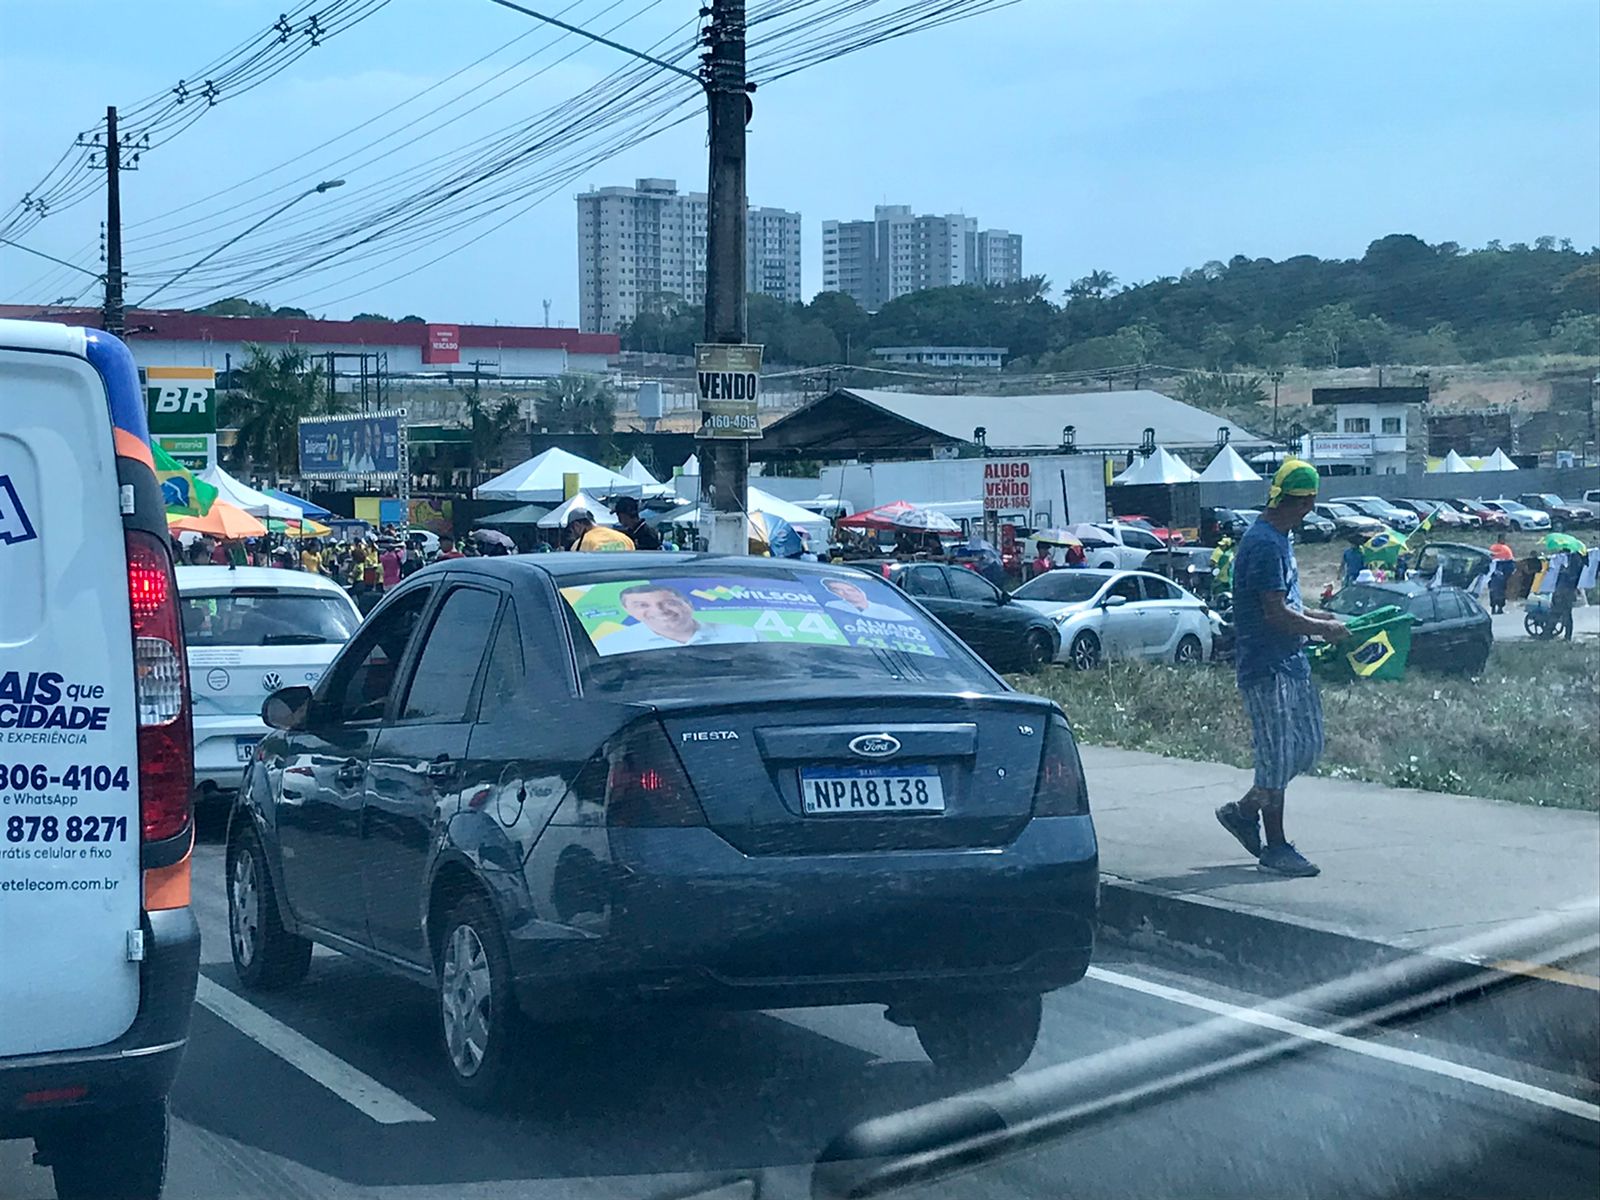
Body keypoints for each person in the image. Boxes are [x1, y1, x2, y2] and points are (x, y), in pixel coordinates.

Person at [1213, 459, 1349, 879]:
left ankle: (1244, 811)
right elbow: (1274, 614)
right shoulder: (1265, 544)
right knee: (1276, 756)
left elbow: (1287, 605)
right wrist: (1322, 630)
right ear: (1305, 501)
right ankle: (1275, 846)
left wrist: (1320, 618)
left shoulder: (1279, 538)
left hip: (1290, 661)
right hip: (1267, 665)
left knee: (1306, 747)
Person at [604, 582, 760, 652]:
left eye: (669, 603)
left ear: (688, 604)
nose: (659, 610)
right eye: (642, 605)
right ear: (629, 611)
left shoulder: (745, 635)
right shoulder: (614, 644)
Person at [821, 576, 916, 622]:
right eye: (837, 590)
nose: (847, 593)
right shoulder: (832, 606)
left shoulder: (891, 612)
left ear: (861, 591)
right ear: (833, 593)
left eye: (851, 589)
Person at [567, 509, 635, 552]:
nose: (573, 534)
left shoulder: (580, 544)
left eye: (571, 530)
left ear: (576, 525)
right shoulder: (625, 539)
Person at [1553, 548, 1583, 641]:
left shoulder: (1572, 566)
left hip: (1566, 592)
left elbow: (1568, 578)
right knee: (1561, 613)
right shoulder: (1574, 564)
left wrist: (1563, 570)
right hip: (1564, 592)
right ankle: (1552, 632)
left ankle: (1567, 636)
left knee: (1565, 614)